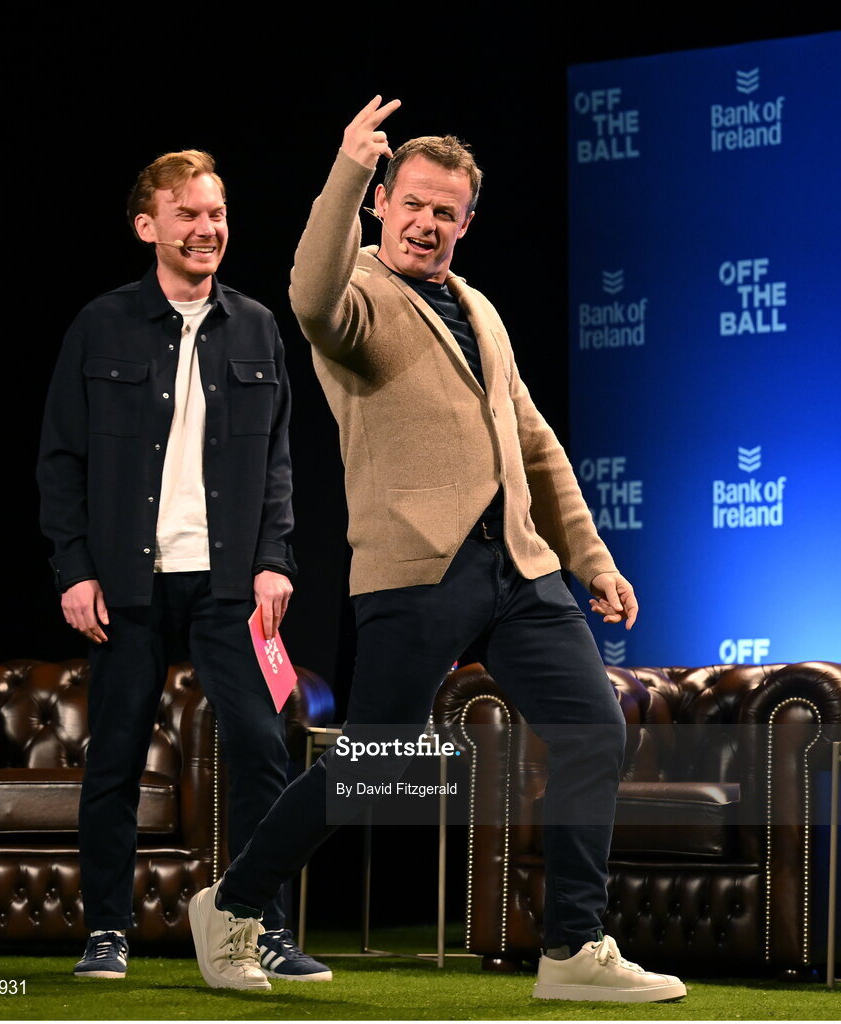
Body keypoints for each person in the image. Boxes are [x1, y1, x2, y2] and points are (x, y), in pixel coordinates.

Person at [187, 100, 686, 1002]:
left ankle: (574, 949)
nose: (427, 222)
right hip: (420, 567)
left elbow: (533, 440)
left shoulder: (481, 308)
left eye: (445, 211)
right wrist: (343, 165)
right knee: (371, 769)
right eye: (411, 203)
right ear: (382, 202)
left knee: (592, 729)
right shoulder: (355, 301)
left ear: (465, 220)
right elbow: (307, 289)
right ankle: (233, 904)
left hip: (521, 570)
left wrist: (591, 557)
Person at [37, 150, 330, 986]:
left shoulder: (257, 326)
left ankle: (261, 928)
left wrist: (276, 561)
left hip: (231, 583)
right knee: (117, 756)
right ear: (148, 226)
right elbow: (60, 459)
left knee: (262, 746)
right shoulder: (102, 325)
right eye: (188, 215)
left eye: (216, 215)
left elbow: (278, 460)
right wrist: (74, 568)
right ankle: (107, 931)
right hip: (125, 584)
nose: (207, 230)